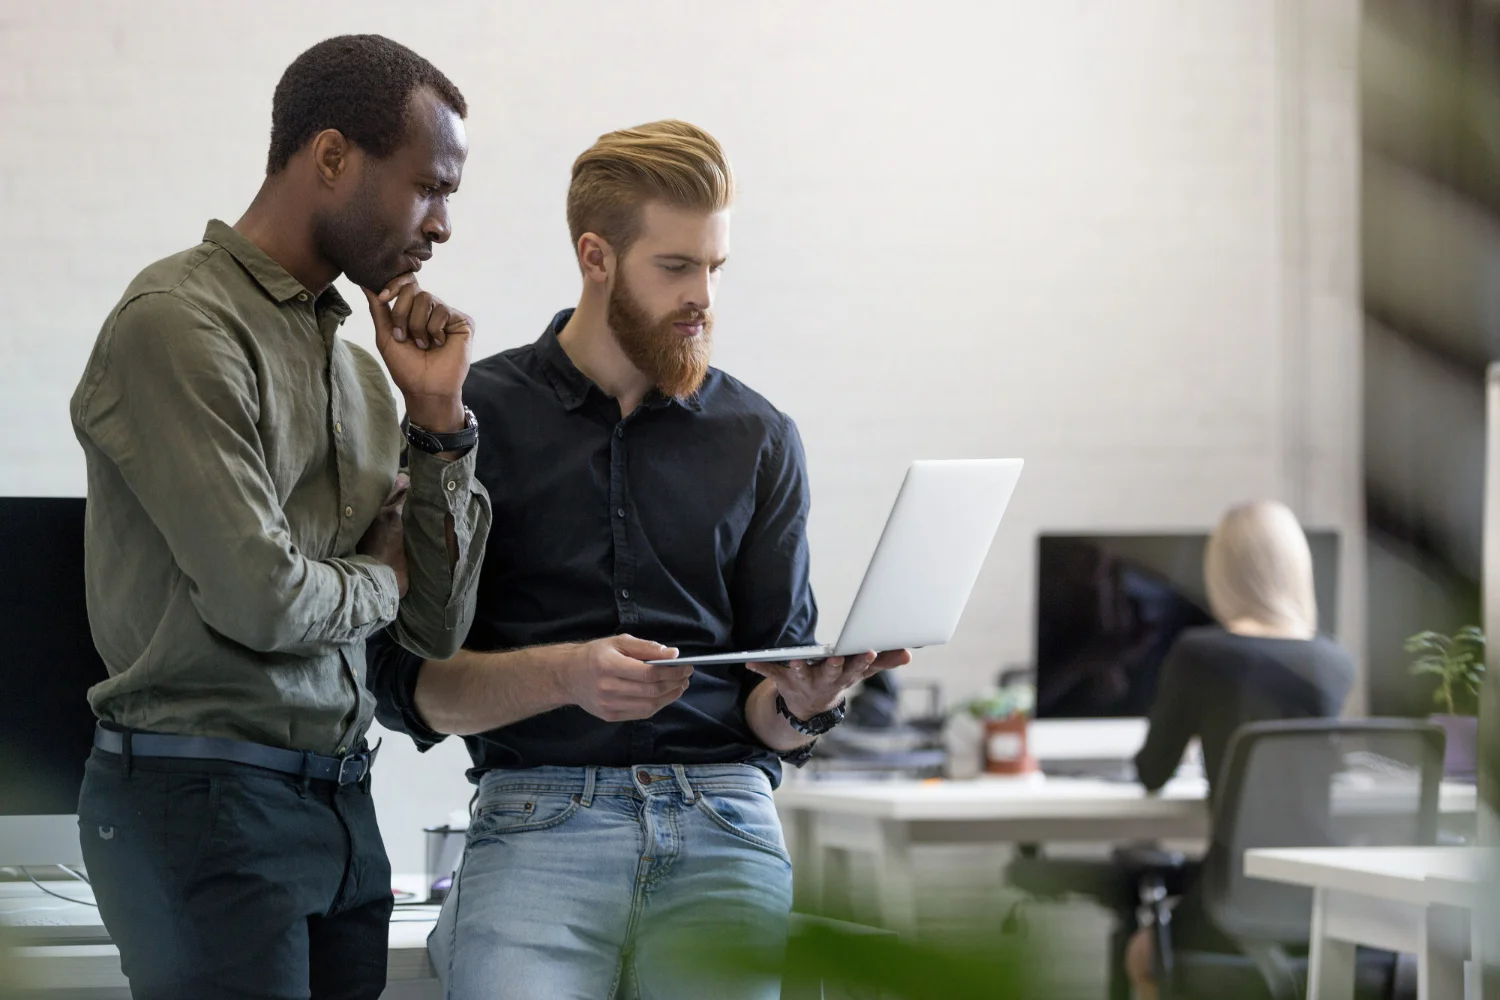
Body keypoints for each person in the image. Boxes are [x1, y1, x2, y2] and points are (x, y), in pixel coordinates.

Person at [367, 120, 910, 999]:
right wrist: (565, 676)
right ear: (597, 257)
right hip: (541, 816)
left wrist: (807, 707)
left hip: (723, 812)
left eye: (715, 268)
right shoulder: (471, 421)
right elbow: (404, 687)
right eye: (677, 267)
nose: (703, 296)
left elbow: (770, 708)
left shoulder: (760, 437)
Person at [68, 35, 491, 1000]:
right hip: (201, 798)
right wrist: (382, 576)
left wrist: (439, 423)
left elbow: (435, 630)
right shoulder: (178, 321)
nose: (443, 226)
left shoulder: (361, 374)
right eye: (429, 186)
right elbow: (260, 598)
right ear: (332, 157)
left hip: (340, 803)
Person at [1124, 501, 1355, 1000]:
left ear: (1223, 574)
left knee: (1142, 953)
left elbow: (1150, 772)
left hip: (1232, 899)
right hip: (1322, 901)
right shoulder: (1336, 663)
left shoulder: (1200, 654)